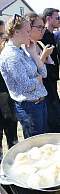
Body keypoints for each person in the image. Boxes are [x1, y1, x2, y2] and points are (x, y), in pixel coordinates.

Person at [0, 15, 47, 138]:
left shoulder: (22, 50)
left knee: (40, 143)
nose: (30, 35)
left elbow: (44, 73)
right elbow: (27, 86)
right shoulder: (11, 56)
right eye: (27, 31)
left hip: (38, 103)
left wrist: (33, 53)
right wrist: (38, 79)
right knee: (35, 147)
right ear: (16, 32)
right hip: (29, 107)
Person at [41, 8, 60, 133]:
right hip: (46, 78)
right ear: (48, 18)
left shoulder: (52, 35)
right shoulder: (43, 36)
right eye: (57, 17)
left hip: (53, 76)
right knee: (50, 106)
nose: (59, 20)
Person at [0, 20, 17, 160]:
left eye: (4, 35)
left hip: (8, 96)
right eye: (1, 35)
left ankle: (13, 163)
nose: (3, 39)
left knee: (12, 132)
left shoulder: (7, 54)